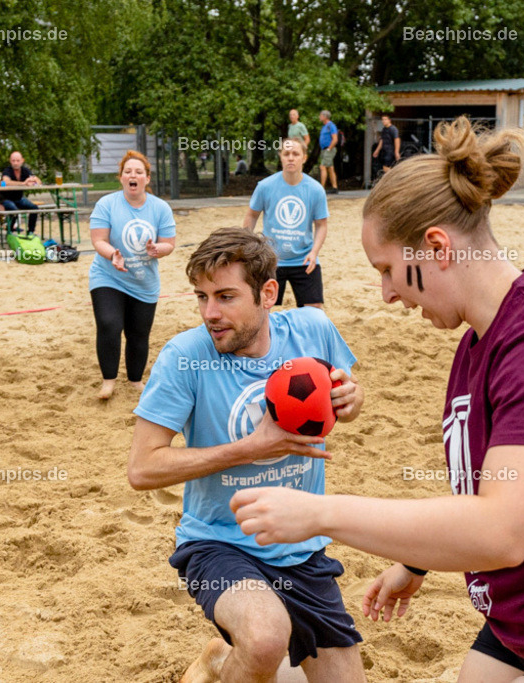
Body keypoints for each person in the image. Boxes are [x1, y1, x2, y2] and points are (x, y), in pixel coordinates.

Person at [230, 117, 524, 683]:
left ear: (435, 247)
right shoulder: (482, 338)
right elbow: (503, 485)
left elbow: (503, 530)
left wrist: (320, 514)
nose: (387, 295)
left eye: (388, 271)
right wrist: (417, 560)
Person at [128, 228, 367, 683]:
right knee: (264, 637)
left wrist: (352, 401)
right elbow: (142, 468)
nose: (210, 314)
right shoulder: (185, 356)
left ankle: (221, 658)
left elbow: (344, 402)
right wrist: (250, 448)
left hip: (302, 543)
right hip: (218, 542)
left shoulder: (313, 331)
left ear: (268, 293)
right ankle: (237, 652)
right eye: (201, 297)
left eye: (225, 296)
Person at [88, 150, 175, 400]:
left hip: (143, 281)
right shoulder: (107, 204)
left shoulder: (160, 208)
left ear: (147, 178)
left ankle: (136, 380)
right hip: (108, 276)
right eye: (128, 172)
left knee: (138, 333)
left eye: (138, 172)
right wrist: (112, 254)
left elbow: (169, 243)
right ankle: (108, 381)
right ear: (121, 178)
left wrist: (158, 249)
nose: (133, 175)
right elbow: (98, 240)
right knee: (109, 323)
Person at [242, 138, 328, 309]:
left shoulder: (316, 189)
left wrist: (314, 252)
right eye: (286, 153)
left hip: (304, 259)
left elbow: (321, 225)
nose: (290, 158)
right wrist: (247, 244)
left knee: (314, 310)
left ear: (304, 158)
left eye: (295, 154)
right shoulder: (265, 186)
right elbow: (251, 216)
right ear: (280, 157)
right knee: (263, 308)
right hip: (271, 259)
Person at [0, 151, 41, 234]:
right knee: (14, 210)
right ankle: (9, 231)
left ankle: (31, 232)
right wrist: (23, 183)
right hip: (5, 199)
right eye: (13, 161)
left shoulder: (25, 170)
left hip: (19, 198)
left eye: (17, 160)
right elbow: (6, 182)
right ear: (10, 161)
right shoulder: (7, 170)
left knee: (34, 208)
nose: (15, 163)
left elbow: (38, 181)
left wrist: (33, 181)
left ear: (22, 160)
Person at [371, 115, 400, 184]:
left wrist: (396, 151)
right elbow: (382, 140)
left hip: (390, 151)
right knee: (385, 167)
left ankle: (393, 181)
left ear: (389, 120)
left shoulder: (393, 129)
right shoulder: (384, 129)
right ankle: (392, 181)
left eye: (385, 119)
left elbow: (397, 139)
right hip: (384, 151)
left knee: (386, 167)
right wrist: (377, 150)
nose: (383, 121)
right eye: (382, 119)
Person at [317, 111, 338, 194]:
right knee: (330, 168)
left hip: (329, 149)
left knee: (322, 166)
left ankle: (321, 188)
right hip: (324, 150)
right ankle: (334, 187)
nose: (319, 117)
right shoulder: (324, 126)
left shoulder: (331, 126)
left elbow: (335, 139)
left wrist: (329, 148)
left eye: (321, 115)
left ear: (325, 116)